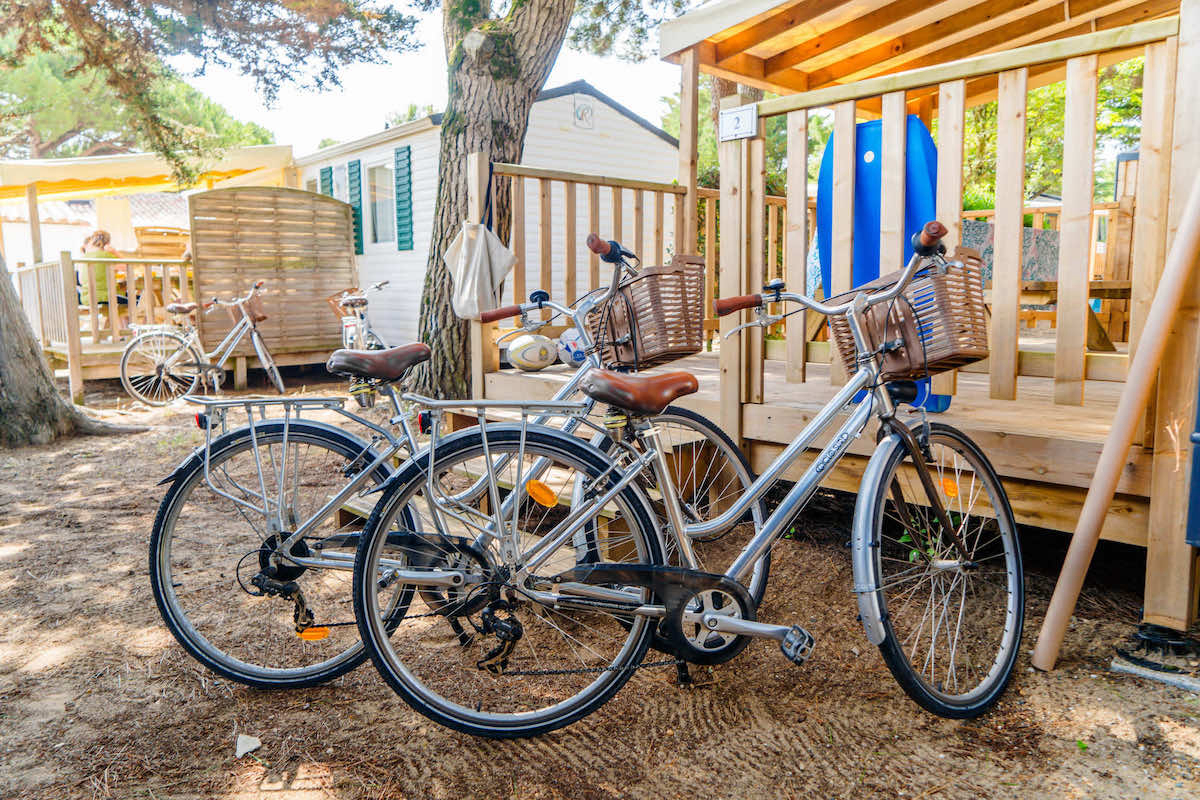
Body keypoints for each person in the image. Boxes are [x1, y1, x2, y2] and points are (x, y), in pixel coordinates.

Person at [78, 230, 127, 330]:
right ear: (107, 243)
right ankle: (125, 332)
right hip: (106, 297)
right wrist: (114, 252)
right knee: (134, 300)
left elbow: (81, 281)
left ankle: (117, 332)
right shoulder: (106, 256)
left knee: (118, 302)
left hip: (87, 298)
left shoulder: (84, 257)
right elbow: (127, 266)